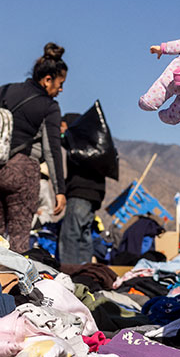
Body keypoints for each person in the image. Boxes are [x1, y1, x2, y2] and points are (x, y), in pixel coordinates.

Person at [0, 43, 68, 253]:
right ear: (47, 79)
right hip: (23, 170)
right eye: (60, 84)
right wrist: (60, 190)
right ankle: (15, 283)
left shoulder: (5, 90)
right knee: (18, 234)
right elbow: (52, 149)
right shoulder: (49, 106)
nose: (60, 90)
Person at [58, 113, 106, 265]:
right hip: (94, 196)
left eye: (63, 126)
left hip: (80, 193)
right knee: (84, 236)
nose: (61, 130)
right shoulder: (93, 144)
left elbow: (62, 139)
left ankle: (70, 270)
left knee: (71, 234)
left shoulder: (77, 141)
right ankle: (84, 270)